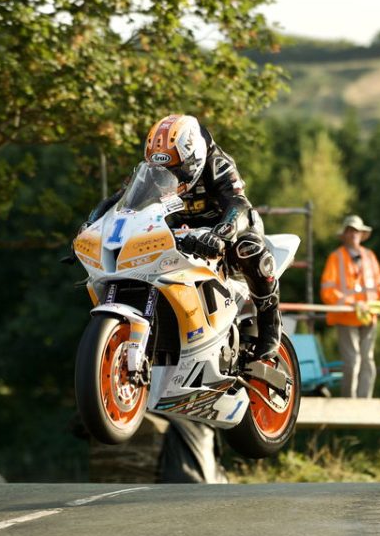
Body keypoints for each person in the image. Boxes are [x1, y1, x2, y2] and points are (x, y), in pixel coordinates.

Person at [85, 114, 281, 360]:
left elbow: (239, 204)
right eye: (163, 170)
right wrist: (90, 227)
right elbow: (120, 201)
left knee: (248, 248)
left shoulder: (217, 164)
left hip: (223, 228)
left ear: (193, 158)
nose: (171, 176)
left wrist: (221, 234)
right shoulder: (152, 170)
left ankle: (270, 326)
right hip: (179, 233)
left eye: (176, 169)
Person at [319, 214, 380, 398]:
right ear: (344, 235)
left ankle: (364, 401)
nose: (353, 234)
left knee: (367, 360)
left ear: (362, 234)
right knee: (352, 361)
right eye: (350, 230)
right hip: (346, 317)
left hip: (368, 317)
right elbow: (327, 292)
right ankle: (349, 401)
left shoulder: (370, 257)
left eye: (356, 231)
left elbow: (378, 289)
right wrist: (353, 304)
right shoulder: (335, 258)